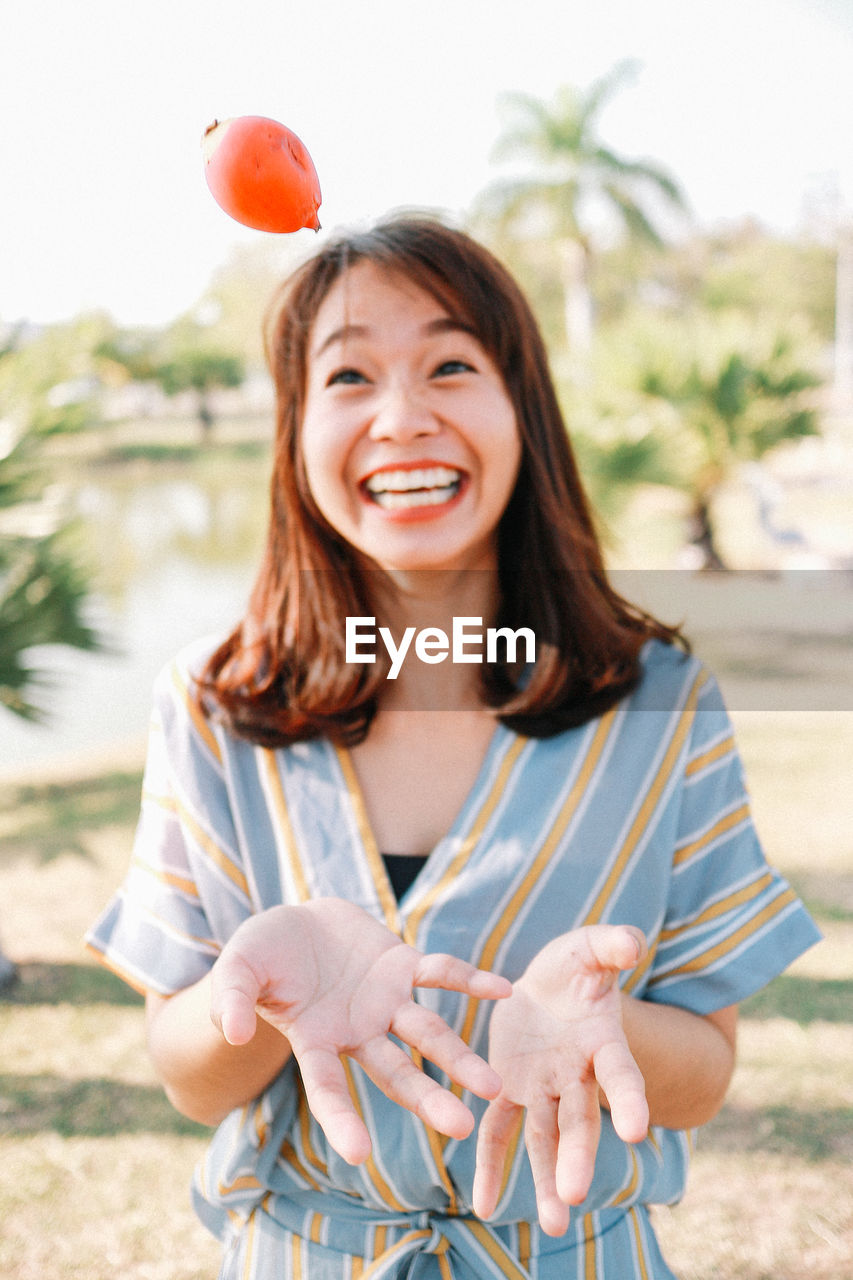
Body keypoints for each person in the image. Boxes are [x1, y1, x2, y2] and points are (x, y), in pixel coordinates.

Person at [86, 216, 820, 1280]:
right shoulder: (213, 702)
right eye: (347, 377)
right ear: (295, 429)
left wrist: (601, 1022)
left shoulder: (662, 699)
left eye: (449, 364)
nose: (402, 417)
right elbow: (193, 1077)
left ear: (522, 405)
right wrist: (252, 996)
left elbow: (703, 1071)